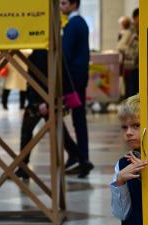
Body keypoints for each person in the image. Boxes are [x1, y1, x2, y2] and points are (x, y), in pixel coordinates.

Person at [14, 49, 83, 180]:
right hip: (49, 100)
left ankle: (23, 168)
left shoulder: (40, 54)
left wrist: (41, 101)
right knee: (61, 132)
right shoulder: (53, 51)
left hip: (40, 102)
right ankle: (82, 160)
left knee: (26, 132)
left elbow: (40, 78)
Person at [110, 94, 147, 225]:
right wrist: (120, 182)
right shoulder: (122, 164)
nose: (129, 133)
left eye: (136, 125)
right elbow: (120, 213)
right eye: (125, 127)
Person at [59, 0, 94, 178]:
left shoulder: (73, 24)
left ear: (74, 4)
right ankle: (81, 157)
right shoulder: (81, 22)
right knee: (78, 119)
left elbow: (65, 54)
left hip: (72, 79)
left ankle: (81, 157)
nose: (60, 6)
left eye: (64, 3)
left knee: (76, 120)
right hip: (80, 77)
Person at [122, 8, 139, 99]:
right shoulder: (130, 32)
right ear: (135, 17)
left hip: (139, 67)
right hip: (131, 68)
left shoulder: (140, 30)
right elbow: (121, 46)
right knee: (131, 94)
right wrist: (132, 49)